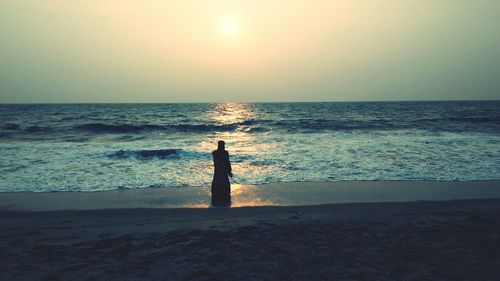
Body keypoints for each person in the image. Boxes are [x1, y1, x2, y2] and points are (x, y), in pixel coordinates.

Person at [211, 140, 233, 206]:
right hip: (222, 170)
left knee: (217, 182)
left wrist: (229, 170)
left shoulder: (215, 153)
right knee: (224, 183)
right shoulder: (225, 153)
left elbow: (215, 162)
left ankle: (217, 199)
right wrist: (229, 170)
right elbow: (227, 162)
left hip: (218, 170)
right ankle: (224, 199)